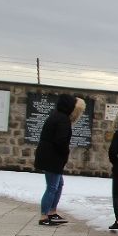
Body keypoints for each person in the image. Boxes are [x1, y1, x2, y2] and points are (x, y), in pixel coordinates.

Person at [34, 94, 85, 226]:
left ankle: (52, 212)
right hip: (52, 157)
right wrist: (65, 152)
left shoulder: (57, 116)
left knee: (58, 184)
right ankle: (44, 215)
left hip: (49, 156)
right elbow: (60, 141)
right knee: (52, 187)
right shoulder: (63, 120)